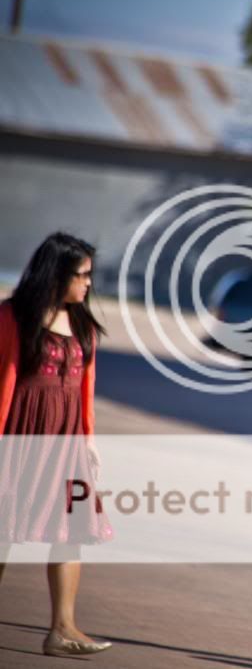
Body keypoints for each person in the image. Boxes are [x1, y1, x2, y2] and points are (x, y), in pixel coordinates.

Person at [0, 232, 113, 657]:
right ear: (56, 274)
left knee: (72, 528)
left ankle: (62, 629)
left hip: (66, 440)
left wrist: (89, 440)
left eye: (89, 275)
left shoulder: (82, 323)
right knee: (2, 528)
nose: (87, 284)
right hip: (19, 434)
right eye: (81, 275)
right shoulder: (13, 317)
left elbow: (86, 386)